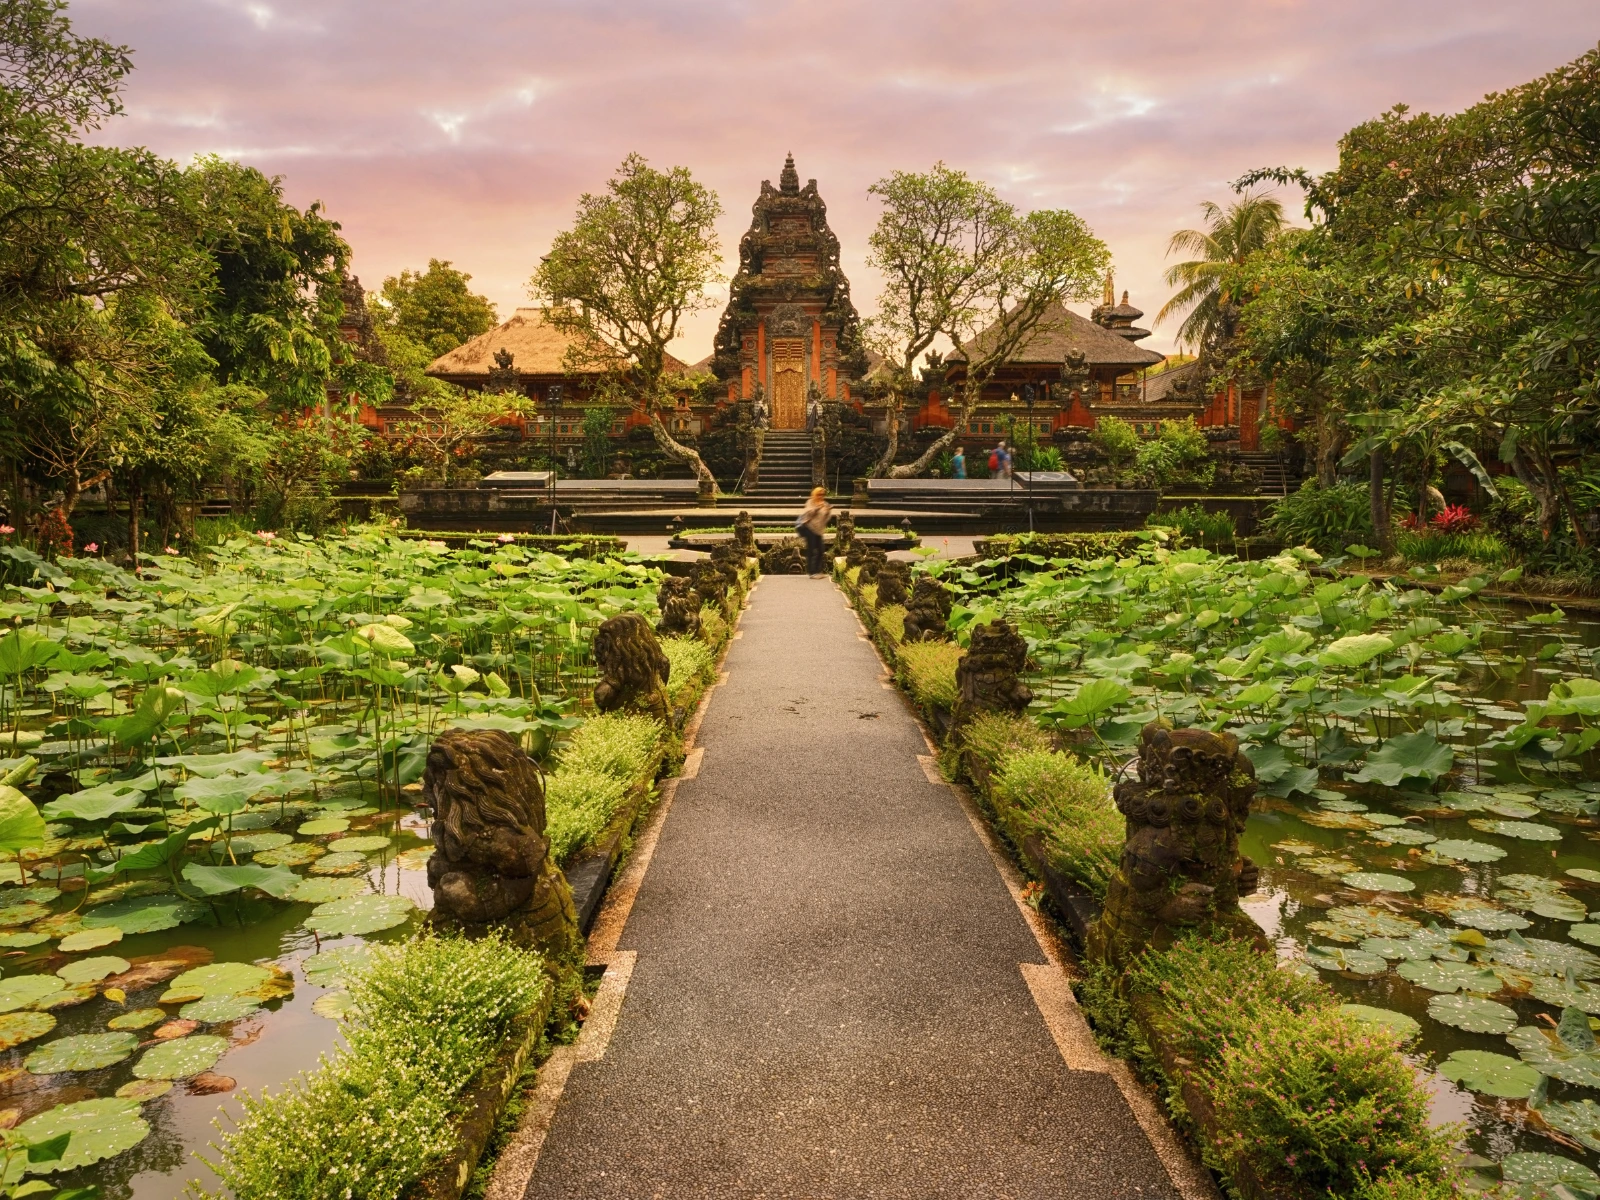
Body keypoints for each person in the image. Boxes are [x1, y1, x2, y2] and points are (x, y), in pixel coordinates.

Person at [796, 486, 833, 578]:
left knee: (821, 550)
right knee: (811, 549)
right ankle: (812, 572)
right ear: (815, 494)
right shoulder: (810, 502)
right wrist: (817, 509)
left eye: (822, 494)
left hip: (819, 530)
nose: (821, 496)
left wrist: (827, 512)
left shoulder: (825, 504)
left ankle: (818, 571)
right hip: (809, 528)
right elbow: (808, 514)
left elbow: (826, 519)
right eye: (819, 494)